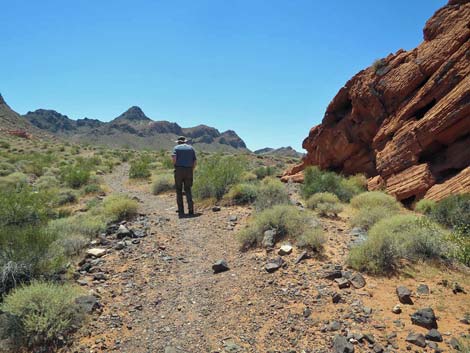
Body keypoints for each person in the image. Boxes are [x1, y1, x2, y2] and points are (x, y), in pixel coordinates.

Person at [172, 136, 197, 217]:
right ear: (185, 142)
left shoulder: (176, 148)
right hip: (189, 170)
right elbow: (195, 161)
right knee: (188, 189)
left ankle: (181, 210)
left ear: (179, 142)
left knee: (179, 190)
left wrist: (175, 166)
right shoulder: (191, 148)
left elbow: (174, 158)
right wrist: (191, 169)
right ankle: (191, 209)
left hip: (179, 170)